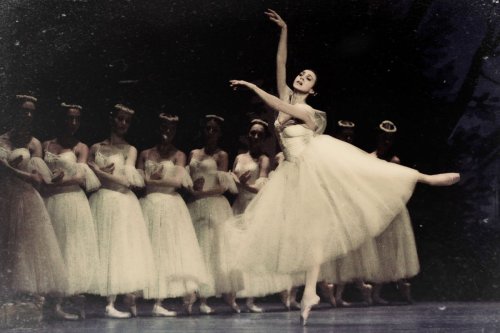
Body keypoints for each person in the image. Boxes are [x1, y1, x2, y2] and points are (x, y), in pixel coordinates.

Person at [228, 9, 460, 325]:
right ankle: (309, 291)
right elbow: (280, 65)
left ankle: (424, 178)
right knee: (310, 235)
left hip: (314, 164)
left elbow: (279, 106)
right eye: (302, 74)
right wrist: (284, 30)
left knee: (366, 169)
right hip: (292, 173)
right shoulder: (287, 94)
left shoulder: (308, 112)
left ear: (313, 90)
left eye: (308, 78)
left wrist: (254, 88)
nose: (301, 78)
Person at [0, 94, 68, 316]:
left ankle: (34, 305)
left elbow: (39, 178)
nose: (28, 115)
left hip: (28, 199)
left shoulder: (34, 143)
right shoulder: (2, 140)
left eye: (31, 112)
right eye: (24, 111)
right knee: (8, 247)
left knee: (29, 250)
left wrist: (10, 169)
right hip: (6, 197)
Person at [88, 104, 156, 318]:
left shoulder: (130, 150)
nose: (123, 124)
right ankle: (105, 301)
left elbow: (126, 181)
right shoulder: (95, 147)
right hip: (102, 199)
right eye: (120, 119)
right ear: (112, 119)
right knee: (104, 249)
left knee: (119, 249)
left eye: (127, 121)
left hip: (121, 201)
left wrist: (99, 171)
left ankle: (114, 300)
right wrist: (96, 173)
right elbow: (89, 178)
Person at [138, 113, 208, 316]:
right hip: (149, 204)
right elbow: (139, 180)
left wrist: (152, 179)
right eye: (163, 127)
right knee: (151, 250)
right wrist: (151, 180)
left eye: (171, 128)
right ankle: (150, 299)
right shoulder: (145, 154)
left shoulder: (179, 155)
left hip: (170, 205)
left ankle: (163, 299)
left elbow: (176, 183)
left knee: (168, 251)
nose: (166, 132)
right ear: (158, 128)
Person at [42, 102, 101, 319]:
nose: (73, 123)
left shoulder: (81, 147)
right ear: (61, 118)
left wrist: (55, 181)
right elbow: (39, 170)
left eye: (77, 119)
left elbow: (80, 176)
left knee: (71, 248)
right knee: (54, 247)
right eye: (69, 118)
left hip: (72, 201)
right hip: (52, 201)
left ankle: (71, 300)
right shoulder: (46, 144)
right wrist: (48, 181)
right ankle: (53, 303)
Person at [186, 114, 239, 314]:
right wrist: (192, 190)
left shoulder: (222, 156)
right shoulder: (193, 153)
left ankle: (206, 299)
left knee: (211, 250)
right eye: (207, 128)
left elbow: (222, 187)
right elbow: (189, 179)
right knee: (197, 249)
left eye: (214, 130)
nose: (210, 132)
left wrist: (201, 193)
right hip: (194, 205)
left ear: (220, 133)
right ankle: (193, 295)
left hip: (213, 205)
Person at [369, 120, 419, 304]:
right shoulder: (369, 158)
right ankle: (375, 293)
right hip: (376, 208)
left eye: (389, 138)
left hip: (393, 209)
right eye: (383, 137)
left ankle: (402, 286)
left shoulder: (395, 160)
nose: (386, 141)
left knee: (394, 249)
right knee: (379, 250)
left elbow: (399, 187)